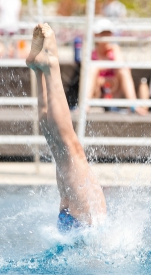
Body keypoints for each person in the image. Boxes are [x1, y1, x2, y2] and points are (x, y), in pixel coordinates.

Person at [26, 23, 107, 230]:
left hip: (82, 211)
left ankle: (48, 68)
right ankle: (40, 71)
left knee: (67, 147)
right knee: (59, 146)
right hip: (74, 215)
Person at [87, 18, 148, 115]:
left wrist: (113, 50)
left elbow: (120, 65)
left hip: (114, 90)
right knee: (93, 69)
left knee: (123, 71)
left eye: (108, 33)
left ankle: (133, 105)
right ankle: (86, 105)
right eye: (103, 33)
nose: (105, 37)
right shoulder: (91, 53)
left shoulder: (115, 49)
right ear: (96, 34)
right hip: (98, 91)